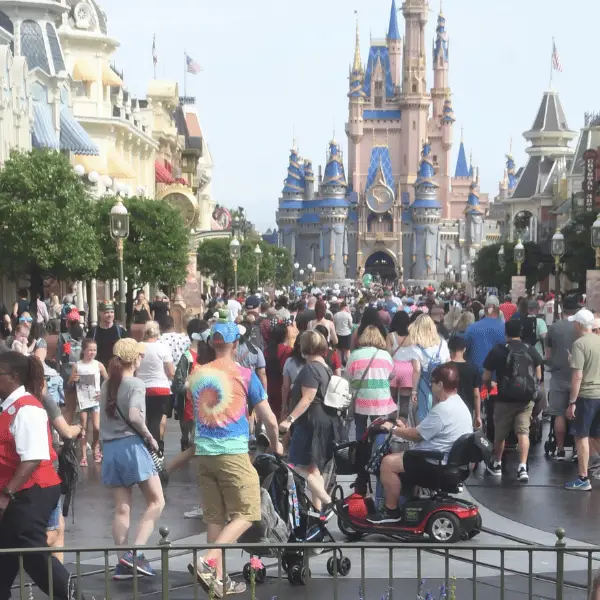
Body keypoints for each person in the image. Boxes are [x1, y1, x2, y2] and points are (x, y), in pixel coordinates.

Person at [187, 321, 282, 596]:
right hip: (232, 452)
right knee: (249, 511)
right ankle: (208, 559)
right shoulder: (244, 374)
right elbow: (269, 419)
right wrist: (276, 443)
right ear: (236, 345)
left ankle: (219, 582)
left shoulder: (198, 373)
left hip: (204, 453)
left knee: (215, 517)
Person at [0, 352, 76, 600]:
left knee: (30, 551)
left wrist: (6, 494)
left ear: (12, 377)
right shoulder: (9, 407)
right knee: (7, 552)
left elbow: (33, 457)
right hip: (19, 491)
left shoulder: (28, 408)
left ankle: (75, 597)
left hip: (32, 490)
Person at [367, 364, 473, 524]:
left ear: (441, 385)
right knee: (404, 458)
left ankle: (390, 511)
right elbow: (425, 431)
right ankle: (410, 503)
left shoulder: (443, 409)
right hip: (450, 460)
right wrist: (405, 429)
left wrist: (393, 429)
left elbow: (417, 436)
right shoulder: (459, 404)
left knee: (388, 463)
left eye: (433, 382)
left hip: (435, 462)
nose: (431, 385)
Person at [100, 338, 165, 579]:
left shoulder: (108, 384)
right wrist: (150, 436)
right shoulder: (136, 383)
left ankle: (122, 561)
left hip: (111, 449)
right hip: (131, 446)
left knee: (122, 509)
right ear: (134, 359)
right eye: (140, 355)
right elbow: (135, 416)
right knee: (157, 501)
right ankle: (134, 554)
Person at [279, 330, 344, 511]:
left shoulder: (310, 369)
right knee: (315, 469)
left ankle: (327, 501)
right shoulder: (326, 368)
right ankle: (318, 511)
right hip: (324, 421)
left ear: (304, 347)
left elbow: (308, 397)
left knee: (295, 465)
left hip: (310, 423)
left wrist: (289, 420)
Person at [482, 319, 542, 482]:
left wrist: (490, 384)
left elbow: (486, 376)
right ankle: (522, 467)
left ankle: (497, 464)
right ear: (521, 333)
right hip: (525, 399)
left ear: (506, 333)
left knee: (500, 433)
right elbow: (539, 375)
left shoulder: (498, 350)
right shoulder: (530, 349)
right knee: (523, 432)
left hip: (504, 399)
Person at [565, 309, 600, 490]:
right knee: (596, 435)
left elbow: (577, 376)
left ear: (579, 325)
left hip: (586, 396)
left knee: (582, 436)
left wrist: (572, 402)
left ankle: (583, 478)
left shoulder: (579, 344)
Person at [346, 325, 396, 440]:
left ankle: (361, 453)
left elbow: (348, 377)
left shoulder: (354, 355)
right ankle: (377, 456)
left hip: (360, 398)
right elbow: (392, 375)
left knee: (360, 427)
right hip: (380, 398)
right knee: (379, 428)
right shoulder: (386, 356)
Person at [546, 296, 579, 461]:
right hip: (578, 376)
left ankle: (559, 448)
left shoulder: (554, 327)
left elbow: (548, 355)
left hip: (558, 375)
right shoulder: (581, 328)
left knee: (559, 413)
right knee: (576, 413)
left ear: (562, 310)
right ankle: (576, 449)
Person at [136, 321, 175, 453]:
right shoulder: (162, 347)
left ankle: (147, 448)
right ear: (157, 332)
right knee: (157, 420)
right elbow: (170, 372)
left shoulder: (139, 347)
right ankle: (156, 449)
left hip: (142, 388)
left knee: (145, 420)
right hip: (161, 388)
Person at [70, 339, 108, 466]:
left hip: (95, 399)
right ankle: (84, 455)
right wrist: (73, 379)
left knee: (97, 427)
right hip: (82, 400)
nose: (92, 352)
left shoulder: (98, 365)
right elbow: (70, 382)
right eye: (90, 350)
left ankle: (96, 445)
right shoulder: (77, 365)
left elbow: (108, 381)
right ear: (84, 350)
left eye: (94, 350)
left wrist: (103, 392)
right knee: (83, 426)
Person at [409, 314, 450, 422]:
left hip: (425, 380)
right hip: (442, 380)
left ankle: (424, 434)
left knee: (424, 410)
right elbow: (448, 362)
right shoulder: (443, 343)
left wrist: (414, 391)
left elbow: (417, 370)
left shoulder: (416, 347)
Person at [464, 296, 506, 374]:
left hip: (475, 376)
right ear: (498, 310)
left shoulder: (471, 328)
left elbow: (464, 351)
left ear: (484, 310)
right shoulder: (506, 328)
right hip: (498, 377)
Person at [448, 335, 481, 427]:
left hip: (448, 410)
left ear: (449, 348)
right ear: (464, 349)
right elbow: (476, 395)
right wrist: (478, 416)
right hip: (467, 409)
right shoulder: (473, 368)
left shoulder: (444, 368)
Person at [87, 301, 128, 369]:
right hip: (98, 369)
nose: (110, 315)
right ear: (99, 313)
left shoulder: (120, 331)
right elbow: (86, 351)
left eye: (112, 312)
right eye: (106, 312)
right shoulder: (93, 332)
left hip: (116, 369)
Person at [265, 322, 292, 420]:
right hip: (284, 389)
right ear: (285, 336)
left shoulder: (266, 350)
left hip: (269, 388)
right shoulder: (289, 351)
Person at [333, 301, 353, 365]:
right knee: (347, 351)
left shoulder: (336, 315)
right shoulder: (348, 315)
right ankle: (348, 365)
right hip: (347, 334)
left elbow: (334, 325)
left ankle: (339, 365)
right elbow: (351, 326)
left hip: (338, 334)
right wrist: (349, 313)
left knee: (338, 351)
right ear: (345, 307)